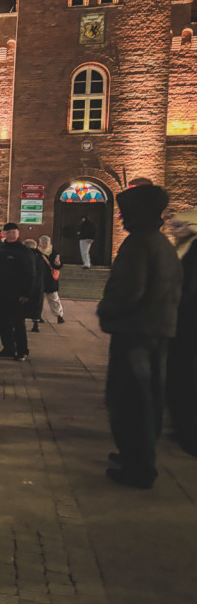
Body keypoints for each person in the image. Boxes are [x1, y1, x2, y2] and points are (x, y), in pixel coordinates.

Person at [97, 185, 181, 489]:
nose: (120, 218)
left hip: (136, 332)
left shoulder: (139, 244)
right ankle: (136, 455)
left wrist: (107, 311)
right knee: (147, 397)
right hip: (156, 330)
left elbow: (128, 291)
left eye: (124, 212)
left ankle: (139, 465)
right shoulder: (161, 243)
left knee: (130, 398)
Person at [166, 209, 197, 457]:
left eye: (179, 225)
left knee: (185, 378)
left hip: (187, 324)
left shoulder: (193, 250)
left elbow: (186, 288)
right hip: (180, 323)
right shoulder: (184, 247)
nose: (173, 230)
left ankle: (189, 433)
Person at [0, 222, 35, 361]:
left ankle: (22, 351)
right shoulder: (1, 249)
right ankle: (8, 348)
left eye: (14, 232)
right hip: (0, 293)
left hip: (17, 294)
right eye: (8, 232)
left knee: (18, 324)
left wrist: (26, 293)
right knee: (3, 322)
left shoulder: (23, 251)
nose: (11, 235)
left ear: (18, 234)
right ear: (4, 234)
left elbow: (31, 273)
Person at [37, 235, 65, 325]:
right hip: (40, 279)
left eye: (46, 243)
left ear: (49, 243)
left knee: (54, 298)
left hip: (50, 280)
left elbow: (57, 266)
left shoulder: (54, 252)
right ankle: (38, 316)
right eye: (43, 243)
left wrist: (58, 264)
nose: (44, 245)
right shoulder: (37, 252)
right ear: (40, 243)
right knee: (39, 300)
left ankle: (59, 315)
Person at [23, 238, 46, 333]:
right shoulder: (41, 256)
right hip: (38, 284)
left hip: (25, 284)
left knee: (23, 305)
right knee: (37, 305)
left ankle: (22, 324)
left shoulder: (24, 256)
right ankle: (35, 324)